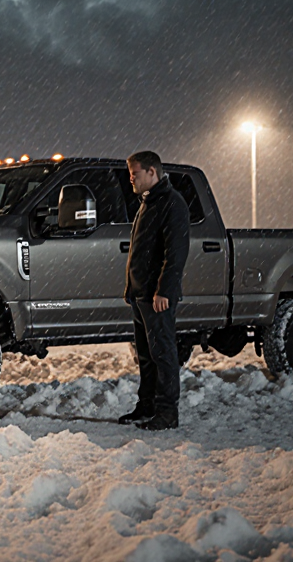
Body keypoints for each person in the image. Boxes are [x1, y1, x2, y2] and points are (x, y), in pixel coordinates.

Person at [119, 150, 190, 431]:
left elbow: (176, 253)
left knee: (163, 353)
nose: (131, 180)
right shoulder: (148, 203)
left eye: (135, 174)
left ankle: (167, 412)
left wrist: (165, 290)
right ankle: (147, 405)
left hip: (156, 296)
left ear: (152, 172)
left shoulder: (172, 204)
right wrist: (131, 289)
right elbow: (140, 253)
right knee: (147, 355)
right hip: (141, 295)